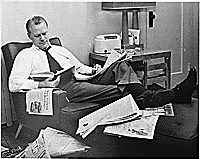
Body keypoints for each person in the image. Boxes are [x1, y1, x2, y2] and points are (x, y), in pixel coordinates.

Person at [9, 15, 197, 109]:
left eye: (44, 34)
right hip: (64, 89)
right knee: (119, 89)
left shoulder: (59, 50)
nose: (43, 38)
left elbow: (79, 67)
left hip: (82, 80)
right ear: (29, 36)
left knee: (121, 65)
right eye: (37, 36)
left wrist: (94, 69)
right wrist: (40, 83)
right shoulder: (26, 56)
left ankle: (155, 95)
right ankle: (172, 94)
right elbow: (13, 84)